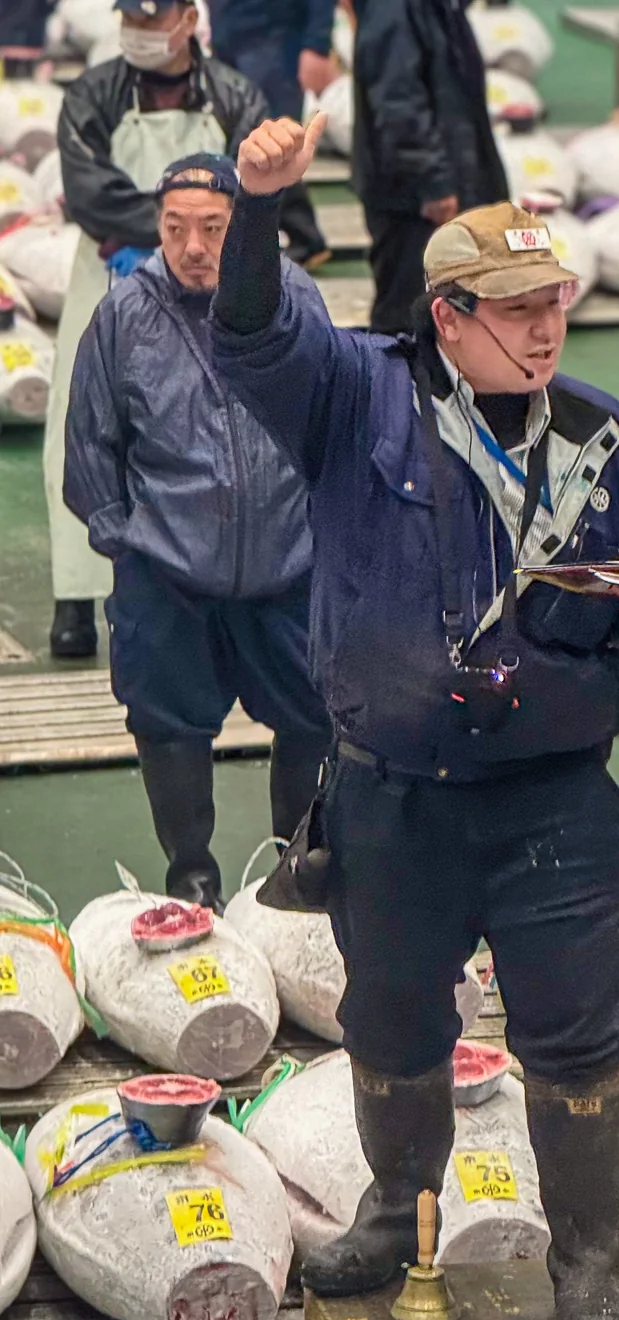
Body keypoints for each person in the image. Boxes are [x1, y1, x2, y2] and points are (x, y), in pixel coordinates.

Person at [210, 115, 619, 1320]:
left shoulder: (617, 449)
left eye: (555, 303)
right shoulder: (350, 397)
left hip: (553, 804)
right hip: (395, 795)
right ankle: (393, 1209)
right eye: (514, 307)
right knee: (390, 1019)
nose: (543, 328)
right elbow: (253, 335)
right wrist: (260, 206)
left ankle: (588, 1260)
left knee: (577, 1035)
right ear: (447, 317)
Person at [63, 153, 330, 912]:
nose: (192, 247)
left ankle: (298, 861)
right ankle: (192, 872)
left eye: (213, 229)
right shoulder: (123, 314)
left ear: (242, 227)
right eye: (175, 228)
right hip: (168, 578)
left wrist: (322, 533)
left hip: (289, 570)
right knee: (168, 722)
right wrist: (131, 540)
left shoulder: (294, 299)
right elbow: (90, 445)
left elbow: (334, 416)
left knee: (315, 712)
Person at [46, 0, 268, 662]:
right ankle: (76, 596)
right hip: (109, 273)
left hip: (213, 283)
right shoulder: (91, 95)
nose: (140, 34)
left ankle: (208, 586)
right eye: (131, 20)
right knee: (79, 423)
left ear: (189, 18)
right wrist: (173, 229)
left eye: (153, 20)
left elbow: (251, 188)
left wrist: (189, 243)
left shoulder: (238, 96)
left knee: (209, 430)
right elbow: (89, 192)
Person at [353, 0, 508, 336]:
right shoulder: (395, 10)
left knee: (452, 316)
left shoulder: (440, 8)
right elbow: (398, 103)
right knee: (407, 320)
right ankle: (391, 390)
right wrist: (432, 184)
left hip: (446, 185)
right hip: (414, 201)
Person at [207, 0, 335, 270]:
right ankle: (300, 237)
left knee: (274, 143)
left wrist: (317, 44)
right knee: (244, 144)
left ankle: (302, 238)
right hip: (227, 37)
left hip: (275, 41)